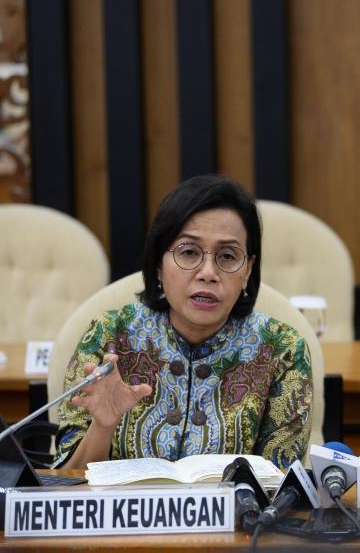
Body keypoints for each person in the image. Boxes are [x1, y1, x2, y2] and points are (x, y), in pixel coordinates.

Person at [54, 175, 312, 470]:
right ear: (158, 265)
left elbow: (279, 488)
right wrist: (103, 427)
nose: (208, 272)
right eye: (189, 252)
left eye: (228, 256)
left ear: (247, 271)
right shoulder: (108, 336)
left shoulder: (282, 350)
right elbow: (65, 483)